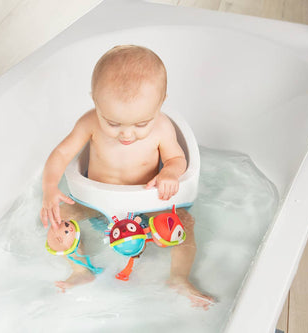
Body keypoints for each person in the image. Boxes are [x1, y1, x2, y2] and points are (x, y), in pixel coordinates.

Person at [40, 45, 213, 309]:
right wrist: (50, 186)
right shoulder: (88, 123)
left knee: (185, 226)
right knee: (60, 218)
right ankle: (80, 269)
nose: (127, 135)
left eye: (141, 124)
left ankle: (178, 277)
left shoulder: (163, 128)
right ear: (94, 101)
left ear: (161, 102)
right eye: (112, 123)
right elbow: (62, 153)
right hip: (96, 204)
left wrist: (169, 172)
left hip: (151, 205)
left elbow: (178, 159)